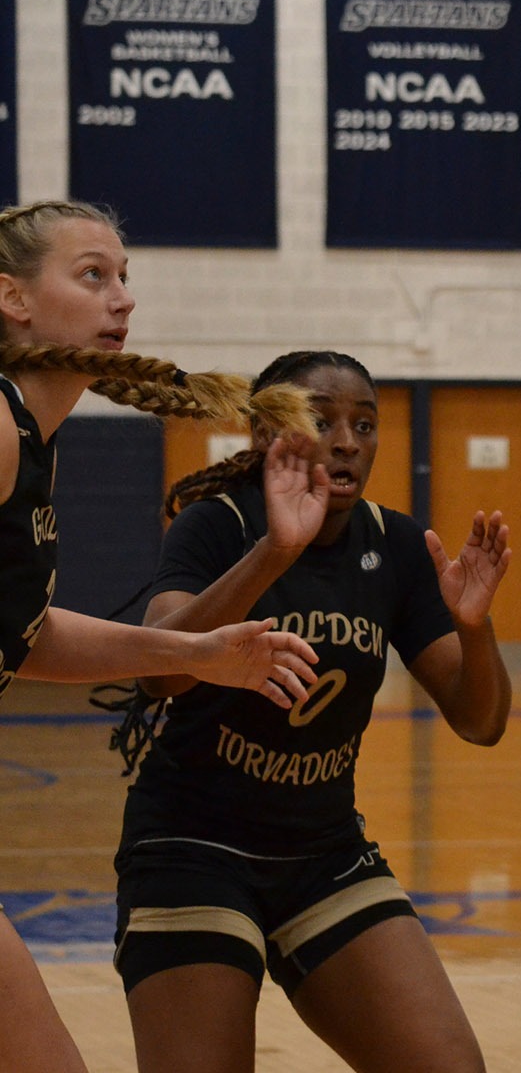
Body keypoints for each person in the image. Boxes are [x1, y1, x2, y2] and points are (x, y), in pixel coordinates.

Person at [111, 350, 513, 1073]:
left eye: (365, 424)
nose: (348, 440)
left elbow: (479, 722)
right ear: (270, 435)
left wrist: (476, 629)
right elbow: (159, 676)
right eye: (323, 420)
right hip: (192, 851)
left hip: (323, 854)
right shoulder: (217, 525)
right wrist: (275, 551)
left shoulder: (395, 544)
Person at [0, 199, 322, 1073]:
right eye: (92, 275)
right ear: (13, 298)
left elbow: (22, 639)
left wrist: (196, 654)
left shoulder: (29, 438)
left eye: (124, 277)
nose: (122, 300)